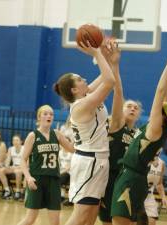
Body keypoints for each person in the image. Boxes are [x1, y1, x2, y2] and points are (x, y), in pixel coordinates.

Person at [111, 48, 167, 225]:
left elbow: (160, 93)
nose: (163, 103)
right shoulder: (162, 128)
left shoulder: (155, 127)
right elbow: (165, 94)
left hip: (130, 179)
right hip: (135, 178)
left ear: (163, 114)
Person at [53, 40, 115, 225]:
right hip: (89, 161)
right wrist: (96, 55)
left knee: (91, 215)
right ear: (74, 89)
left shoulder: (87, 95)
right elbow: (110, 81)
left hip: (99, 159)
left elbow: (106, 76)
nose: (85, 80)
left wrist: (108, 58)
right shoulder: (80, 106)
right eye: (80, 80)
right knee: (81, 215)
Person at [99, 38, 142, 225]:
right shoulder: (116, 124)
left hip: (128, 181)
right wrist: (114, 65)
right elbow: (118, 93)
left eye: (135, 108)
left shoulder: (139, 134)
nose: (132, 109)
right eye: (128, 106)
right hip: (109, 178)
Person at [17, 105, 74, 225]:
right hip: (37, 179)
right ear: (39, 117)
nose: (49, 116)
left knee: (55, 222)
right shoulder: (33, 136)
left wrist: (79, 135)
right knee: (30, 219)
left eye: (51, 114)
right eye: (46, 114)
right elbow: (22, 160)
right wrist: (28, 177)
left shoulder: (57, 134)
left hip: (53, 180)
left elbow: (72, 149)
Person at [143, 156, 167, 225]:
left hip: (149, 196)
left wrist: (163, 197)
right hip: (137, 195)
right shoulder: (143, 159)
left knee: (152, 222)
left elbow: (159, 183)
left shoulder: (162, 163)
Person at [0, 134, 24, 200]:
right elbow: (8, 160)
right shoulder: (10, 149)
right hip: (14, 167)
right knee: (1, 170)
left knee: (18, 172)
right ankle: (7, 190)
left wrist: (17, 167)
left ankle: (18, 191)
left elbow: (27, 164)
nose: (15, 142)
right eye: (14, 140)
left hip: (23, 168)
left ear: (21, 141)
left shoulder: (24, 149)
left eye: (17, 140)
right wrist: (6, 166)